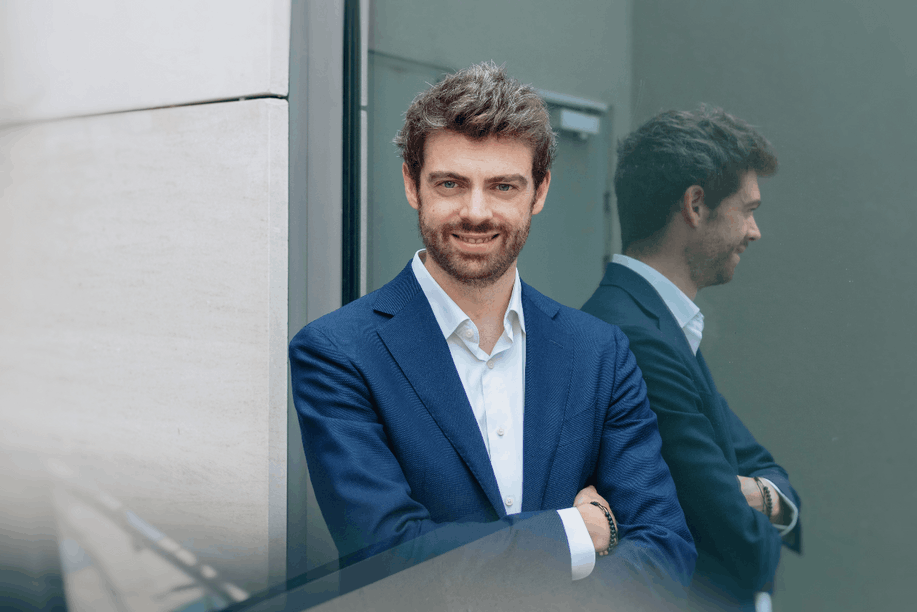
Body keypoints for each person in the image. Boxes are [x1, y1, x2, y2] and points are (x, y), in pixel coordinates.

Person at [289, 62, 695, 604]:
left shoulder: (599, 353)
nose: (476, 212)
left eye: (503, 186)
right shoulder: (338, 353)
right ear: (412, 184)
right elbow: (388, 560)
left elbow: (667, 551)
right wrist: (578, 533)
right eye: (451, 183)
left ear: (540, 191)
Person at [582, 106, 802, 611]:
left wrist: (760, 495)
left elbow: (757, 465)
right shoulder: (637, 338)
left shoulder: (659, 325)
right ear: (696, 205)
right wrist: (757, 499)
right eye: (747, 210)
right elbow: (739, 545)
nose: (754, 232)